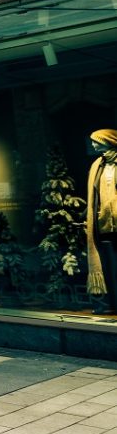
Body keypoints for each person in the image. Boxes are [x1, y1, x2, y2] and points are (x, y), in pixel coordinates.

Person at [86, 129, 117, 315]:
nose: (93, 145)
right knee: (109, 267)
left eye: (96, 141)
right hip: (105, 227)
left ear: (108, 142)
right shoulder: (98, 165)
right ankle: (109, 303)